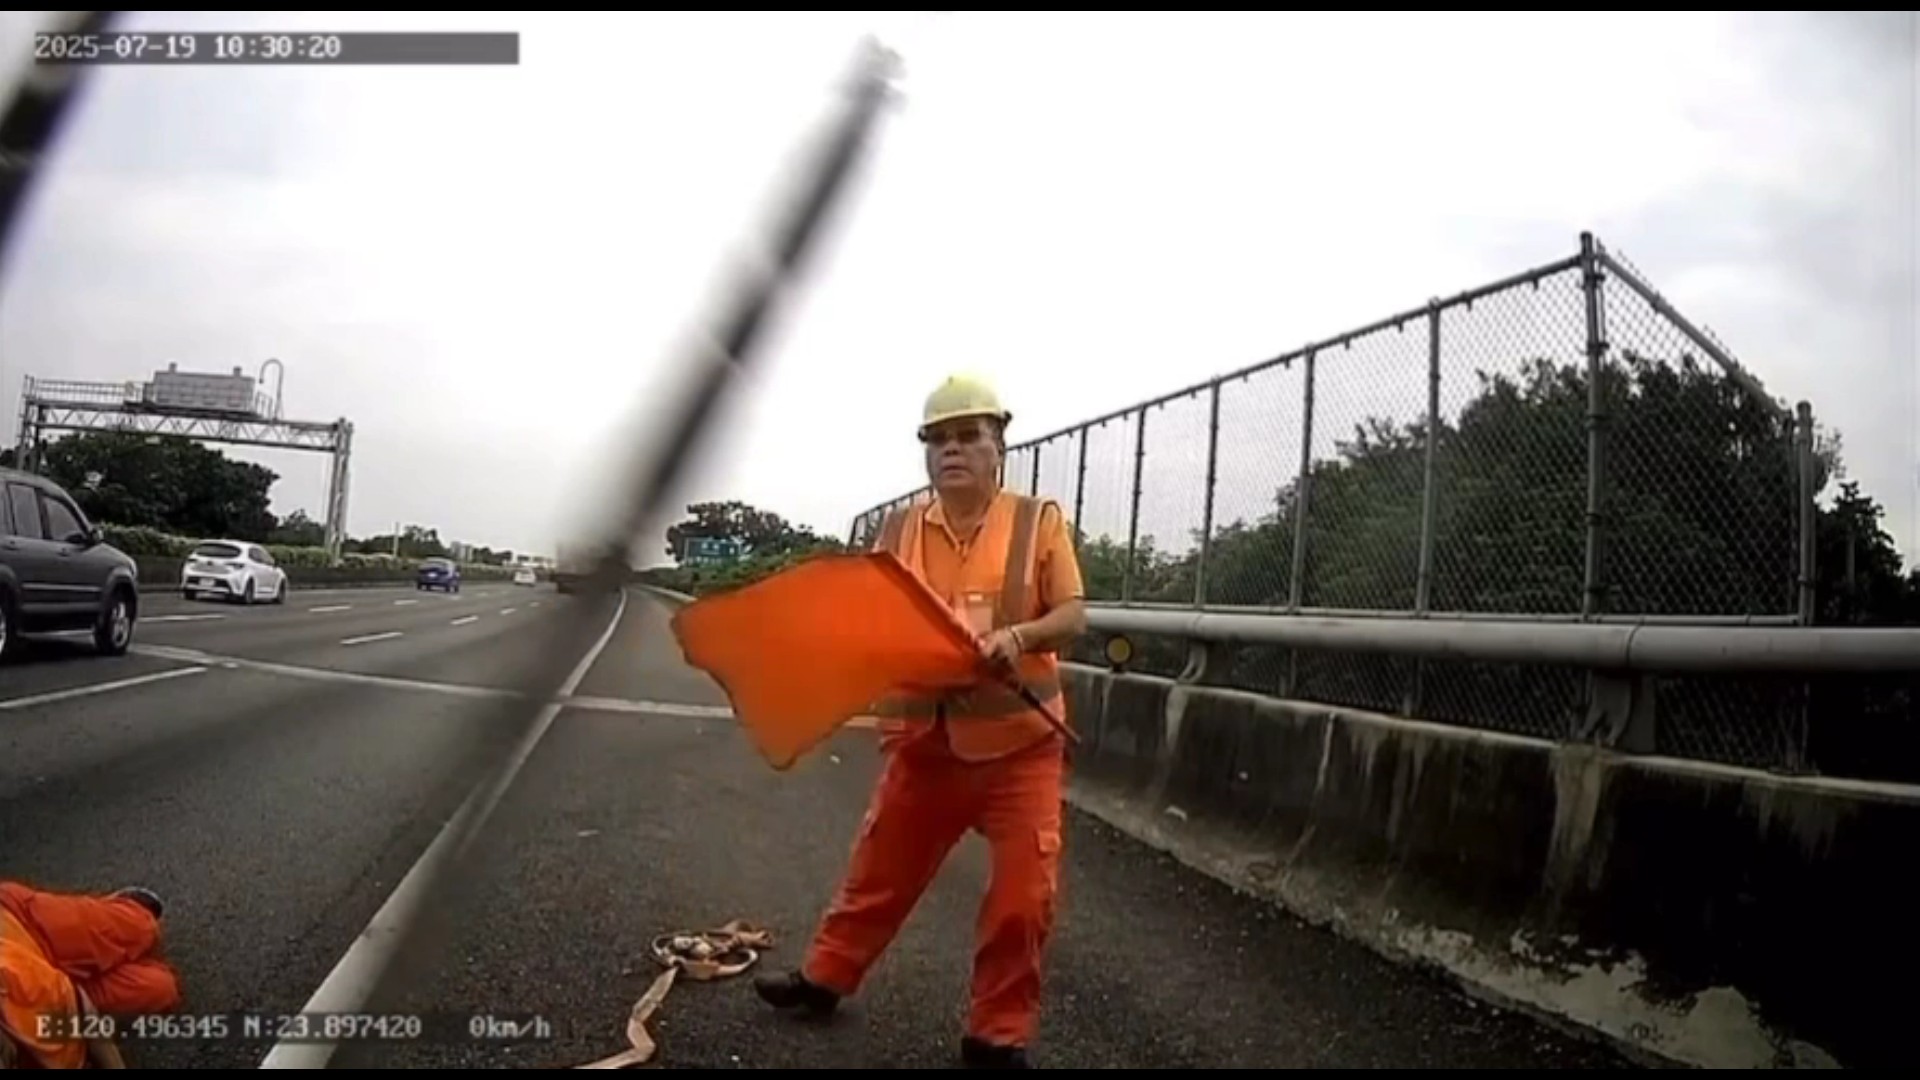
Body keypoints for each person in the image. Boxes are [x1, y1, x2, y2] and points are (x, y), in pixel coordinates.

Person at [754, 374, 1088, 1069]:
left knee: (1023, 900)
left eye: (968, 435)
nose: (952, 450)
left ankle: (997, 1036)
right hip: (924, 742)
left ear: (999, 444)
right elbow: (871, 619)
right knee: (878, 872)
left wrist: (1018, 640)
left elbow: (1073, 616)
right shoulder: (899, 529)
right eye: (937, 439)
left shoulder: (1038, 521)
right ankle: (824, 979)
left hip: (1017, 749)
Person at [0, 881, 181, 1069]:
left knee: (142, 926)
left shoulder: (11, 979)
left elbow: (84, 1011)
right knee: (160, 989)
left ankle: (112, 910)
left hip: (24, 923)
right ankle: (99, 956)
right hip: (51, 994)